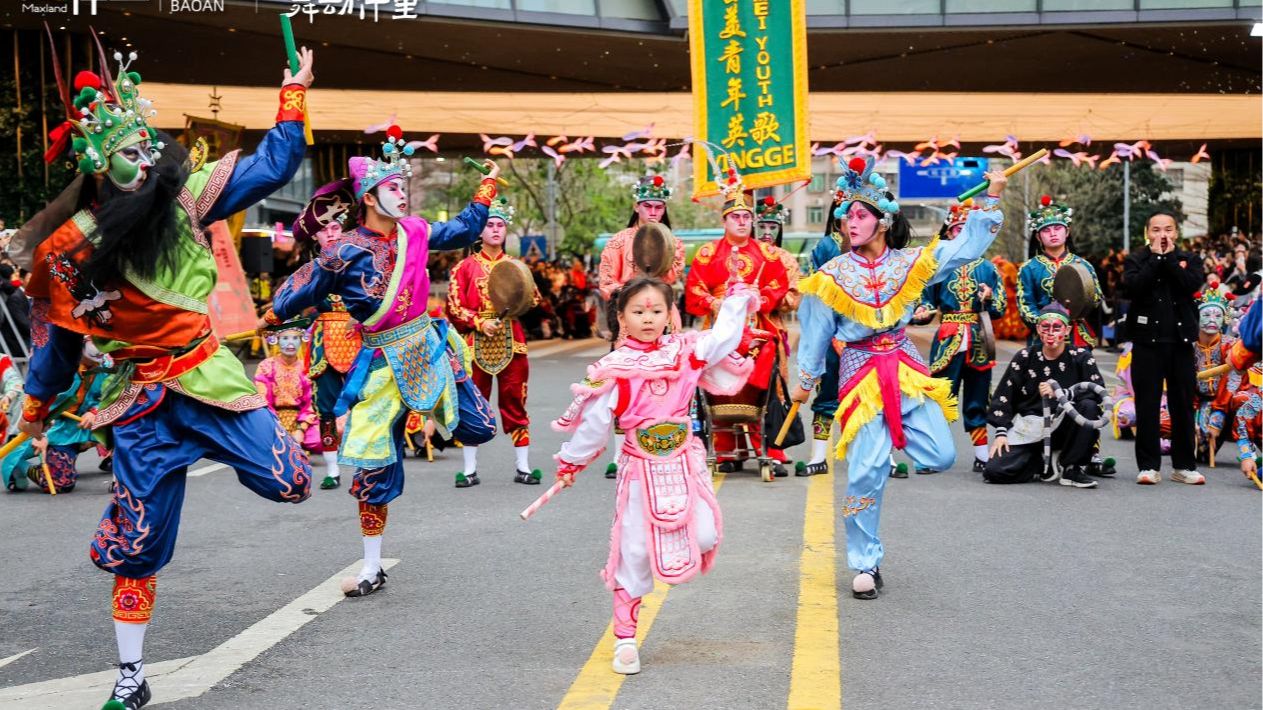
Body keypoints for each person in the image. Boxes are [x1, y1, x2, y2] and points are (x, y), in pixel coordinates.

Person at [14, 45, 316, 710]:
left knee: (292, 482)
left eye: (148, 150)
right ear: (98, 165)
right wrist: (34, 404)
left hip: (210, 380)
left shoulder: (184, 197)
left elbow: (272, 164)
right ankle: (130, 676)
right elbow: (59, 342)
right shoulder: (67, 254)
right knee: (137, 545)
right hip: (142, 403)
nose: (146, 163)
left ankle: (224, 448)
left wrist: (292, 95)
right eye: (129, 156)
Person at [267, 125, 500, 599]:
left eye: (403, 186)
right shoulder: (341, 250)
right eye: (393, 188)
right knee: (374, 467)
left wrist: (487, 186)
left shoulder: (415, 232)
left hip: (427, 348)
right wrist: (272, 311)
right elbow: (301, 287)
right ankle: (372, 565)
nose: (403, 196)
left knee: (479, 427)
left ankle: (461, 440)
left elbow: (463, 228)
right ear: (370, 198)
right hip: (378, 362)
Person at [791, 157, 1007, 599]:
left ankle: (885, 446)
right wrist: (807, 379)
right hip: (859, 371)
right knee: (864, 473)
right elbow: (817, 331)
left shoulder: (912, 262)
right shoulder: (830, 275)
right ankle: (865, 563)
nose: (851, 223)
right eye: (847, 216)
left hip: (906, 367)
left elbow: (965, 247)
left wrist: (993, 197)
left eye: (860, 215)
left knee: (943, 455)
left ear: (883, 222)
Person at [550, 276, 759, 675]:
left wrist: (735, 303)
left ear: (670, 314)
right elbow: (594, 424)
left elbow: (722, 339)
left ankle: (672, 564)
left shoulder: (685, 350)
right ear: (622, 318)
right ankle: (626, 639)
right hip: (639, 469)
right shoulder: (614, 368)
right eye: (638, 311)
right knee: (633, 552)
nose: (648, 318)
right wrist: (571, 462)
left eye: (657, 310)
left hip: (684, 463)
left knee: (704, 534)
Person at [684, 173, 790, 471]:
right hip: (720, 330)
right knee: (720, 388)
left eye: (746, 216)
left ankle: (767, 447)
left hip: (756, 330)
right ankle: (728, 450)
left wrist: (761, 297)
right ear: (725, 221)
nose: (742, 222)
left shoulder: (768, 254)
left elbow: (779, 285)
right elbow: (694, 288)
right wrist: (713, 302)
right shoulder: (707, 254)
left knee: (761, 391)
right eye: (736, 217)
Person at [446, 197, 542, 487]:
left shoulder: (516, 266)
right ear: (479, 231)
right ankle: (469, 470)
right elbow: (453, 306)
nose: (496, 230)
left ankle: (523, 467)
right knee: (473, 404)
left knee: (516, 403)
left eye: (500, 225)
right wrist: (479, 322)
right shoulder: (463, 268)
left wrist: (517, 303)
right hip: (476, 344)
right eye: (490, 225)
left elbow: (535, 298)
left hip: (512, 342)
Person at [595, 174, 687, 478]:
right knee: (625, 386)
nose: (653, 212)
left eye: (659, 207)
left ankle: (663, 447)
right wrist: (631, 288)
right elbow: (607, 283)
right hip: (630, 321)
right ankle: (620, 454)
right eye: (648, 205)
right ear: (637, 206)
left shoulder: (673, 242)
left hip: (664, 318)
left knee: (666, 385)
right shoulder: (619, 241)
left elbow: (672, 277)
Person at [914, 201, 1005, 473]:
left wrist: (988, 298)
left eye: (966, 229)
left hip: (979, 336)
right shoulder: (937, 265)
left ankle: (981, 456)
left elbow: (999, 307)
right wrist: (920, 312)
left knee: (979, 396)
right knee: (941, 396)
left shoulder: (988, 268)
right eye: (956, 229)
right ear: (948, 233)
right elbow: (926, 304)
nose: (961, 234)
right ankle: (931, 453)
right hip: (948, 336)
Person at [984, 304, 1107, 488]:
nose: (1050, 333)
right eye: (1045, 327)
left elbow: (1097, 391)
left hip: (1065, 427)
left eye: (1056, 327)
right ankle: (1040, 461)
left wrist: (1063, 393)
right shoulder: (1024, 357)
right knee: (994, 471)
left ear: (1067, 330)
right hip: (1032, 429)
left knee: (1088, 406)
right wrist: (1001, 432)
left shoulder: (1081, 356)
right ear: (1038, 329)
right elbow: (1003, 397)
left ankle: (1072, 467)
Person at [1121, 210, 1203, 485]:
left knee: (1182, 405)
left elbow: (1190, 284)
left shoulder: (1189, 259)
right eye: (1156, 230)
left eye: (1167, 229)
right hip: (1146, 343)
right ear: (1147, 233)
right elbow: (1133, 288)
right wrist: (1156, 259)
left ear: (1176, 233)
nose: (1162, 235)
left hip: (1181, 343)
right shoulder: (1136, 259)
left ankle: (1184, 466)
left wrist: (1167, 259)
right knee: (1147, 405)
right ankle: (1148, 466)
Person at [290, 181, 362, 490]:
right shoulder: (310, 269)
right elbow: (291, 303)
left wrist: (363, 321)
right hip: (324, 344)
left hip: (360, 342)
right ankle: (333, 469)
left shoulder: (362, 262)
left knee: (363, 404)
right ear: (315, 236)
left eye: (335, 226)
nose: (331, 232)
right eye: (324, 229)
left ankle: (364, 466)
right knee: (326, 408)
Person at [2, 339, 103, 493]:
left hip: (86, 425)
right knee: (60, 483)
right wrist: (40, 435)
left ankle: (119, 469)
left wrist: (95, 412)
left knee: (125, 424)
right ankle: (27, 467)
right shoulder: (54, 369)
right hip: (55, 429)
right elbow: (29, 414)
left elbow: (114, 397)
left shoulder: (108, 366)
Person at [753, 195, 801, 475]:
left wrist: (767, 299)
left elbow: (794, 296)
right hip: (739, 331)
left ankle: (774, 445)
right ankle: (727, 446)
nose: (767, 232)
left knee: (775, 387)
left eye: (772, 226)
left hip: (771, 328)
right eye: (762, 225)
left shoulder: (785, 258)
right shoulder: (742, 253)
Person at [1017, 195, 1102, 347]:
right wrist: (1048, 322)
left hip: (1076, 336)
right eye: (1046, 230)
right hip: (1042, 338)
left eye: (1057, 228)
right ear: (1038, 236)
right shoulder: (1029, 268)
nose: (1053, 234)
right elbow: (1025, 306)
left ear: (1067, 232)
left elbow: (1096, 298)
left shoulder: (1083, 265)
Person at [800, 212, 848, 477]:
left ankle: (881, 456)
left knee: (874, 397)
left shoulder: (878, 244)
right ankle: (819, 455)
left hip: (872, 336)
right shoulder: (828, 245)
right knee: (829, 393)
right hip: (835, 331)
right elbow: (815, 290)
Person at [253, 318, 322, 454]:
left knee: (319, 439)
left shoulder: (307, 367)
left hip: (300, 418)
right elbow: (263, 401)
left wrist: (301, 429)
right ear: (277, 340)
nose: (290, 343)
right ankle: (288, 443)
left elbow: (311, 403)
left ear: (301, 340)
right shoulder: (266, 366)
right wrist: (277, 426)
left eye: (295, 338)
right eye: (285, 338)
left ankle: (295, 443)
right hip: (273, 418)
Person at [1192, 289, 1234, 463]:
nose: (1211, 320)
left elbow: (1232, 383)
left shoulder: (1231, 346)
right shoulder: (1189, 346)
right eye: (1206, 314)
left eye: (1217, 316)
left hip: (1225, 402)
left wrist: (1217, 418)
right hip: (1196, 400)